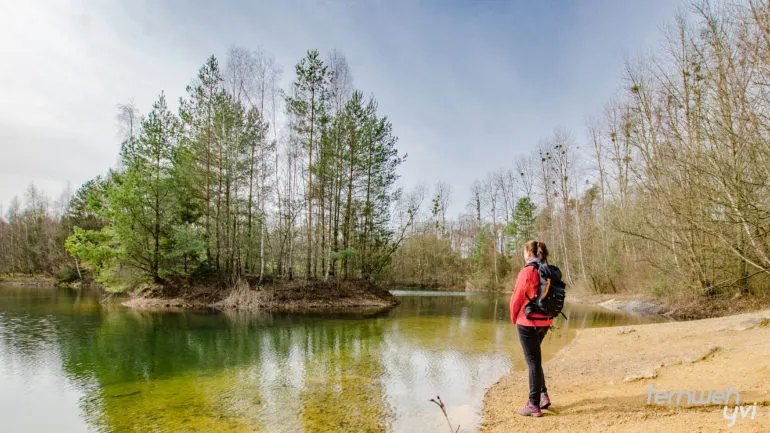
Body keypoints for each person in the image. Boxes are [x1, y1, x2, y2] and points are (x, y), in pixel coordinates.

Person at [509, 240, 553, 417]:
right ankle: (543, 395)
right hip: (545, 322)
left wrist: (513, 317)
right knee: (535, 358)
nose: (523, 254)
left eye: (524, 251)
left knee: (533, 361)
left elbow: (517, 297)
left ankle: (533, 404)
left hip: (527, 322)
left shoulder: (527, 271)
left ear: (529, 253)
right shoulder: (547, 270)